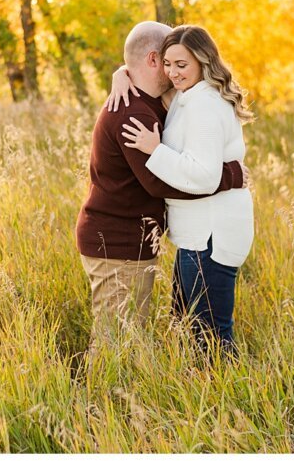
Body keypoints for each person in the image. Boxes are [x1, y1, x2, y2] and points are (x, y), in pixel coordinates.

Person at [75, 21, 245, 357]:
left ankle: (114, 403)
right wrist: (231, 176)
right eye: (167, 61)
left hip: (130, 242)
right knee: (115, 342)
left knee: (126, 338)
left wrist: (123, 71)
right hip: (116, 244)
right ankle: (97, 408)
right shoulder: (132, 111)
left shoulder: (155, 98)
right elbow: (159, 183)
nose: (173, 69)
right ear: (155, 60)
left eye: (179, 62)